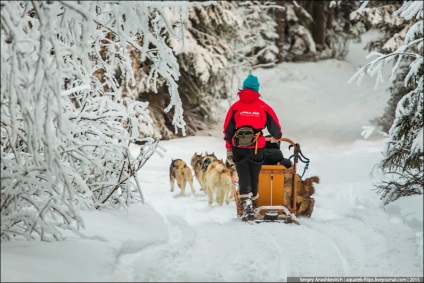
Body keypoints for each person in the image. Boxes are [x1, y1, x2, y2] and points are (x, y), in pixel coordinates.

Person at [223, 74, 283, 221]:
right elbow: (276, 131)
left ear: (243, 88)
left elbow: (228, 129)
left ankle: (247, 204)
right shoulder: (264, 107)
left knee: (243, 175)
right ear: (257, 90)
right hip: (258, 145)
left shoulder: (235, 107)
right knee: (254, 175)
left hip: (239, 146)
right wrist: (277, 136)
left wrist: (229, 144)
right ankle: (253, 203)